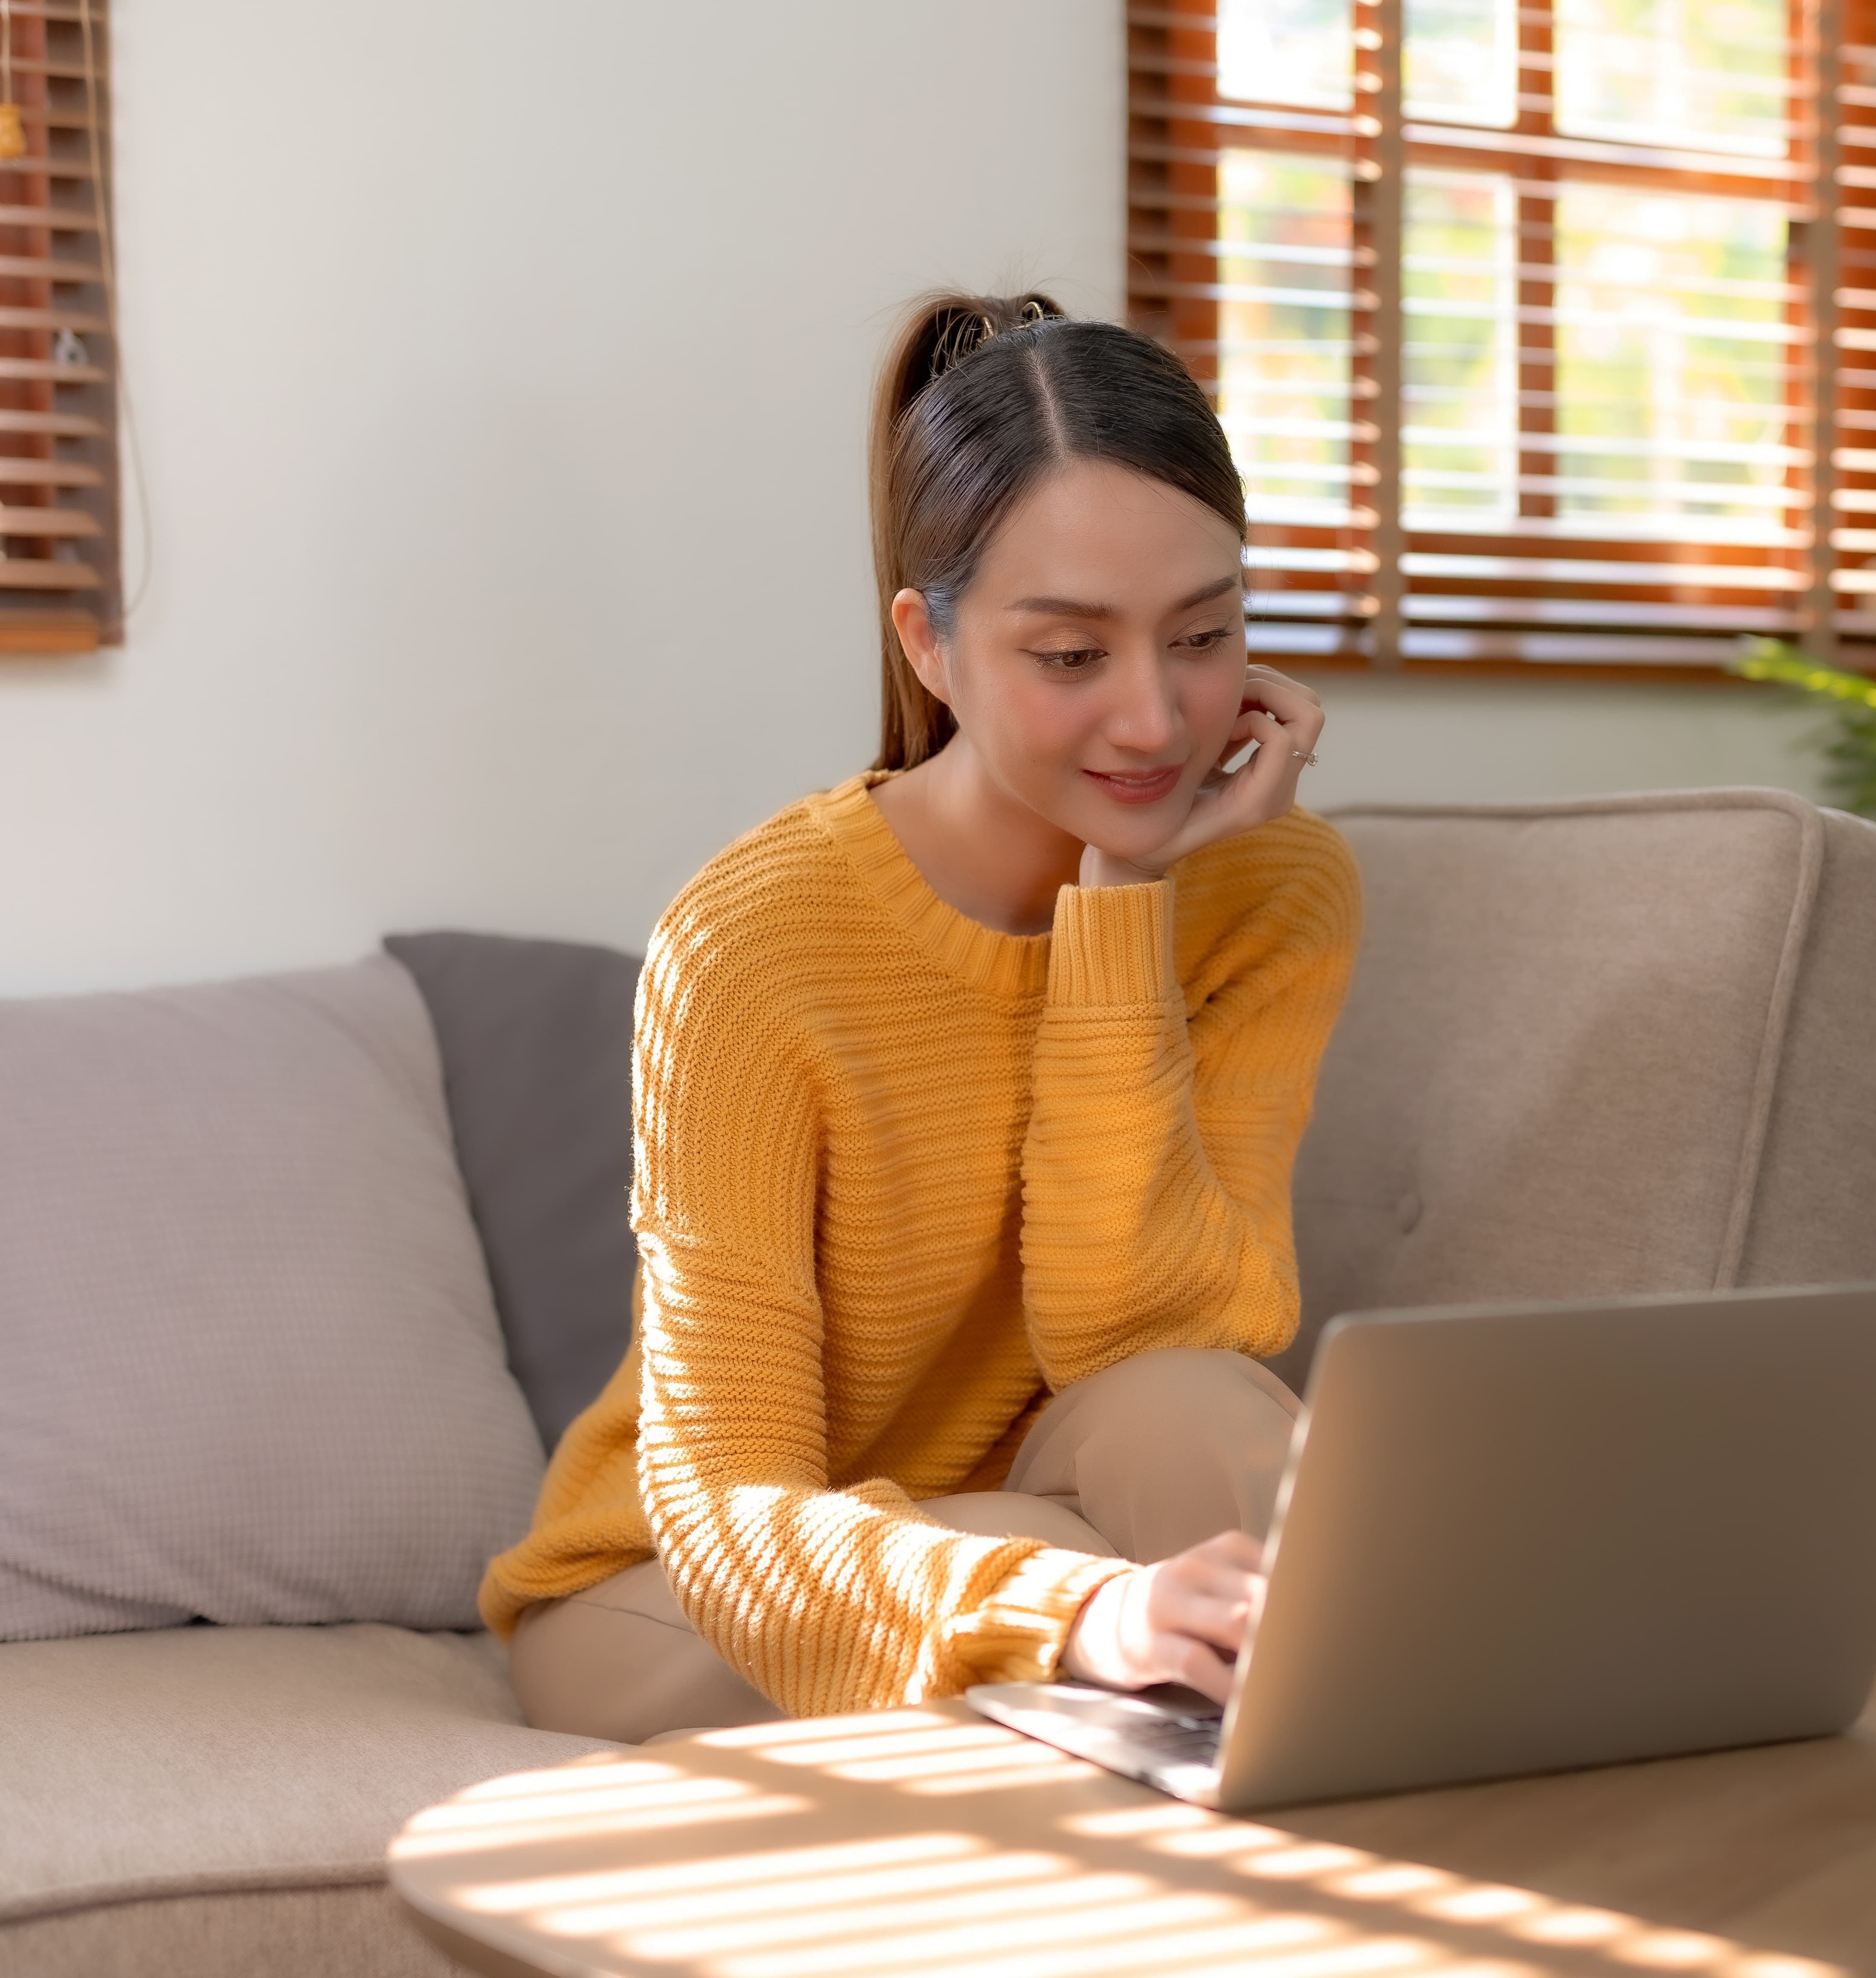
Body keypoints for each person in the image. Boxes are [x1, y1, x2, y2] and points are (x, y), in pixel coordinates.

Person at [479, 293, 1362, 1739]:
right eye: (1072, 656)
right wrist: (1075, 1608)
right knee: (1109, 1604)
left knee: (1201, 1405)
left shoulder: (1278, 893)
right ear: (930, 649)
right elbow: (731, 1505)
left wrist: (1123, 895)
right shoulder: (748, 942)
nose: (1155, 721)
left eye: (1202, 638)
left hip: (1047, 1507)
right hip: (692, 1589)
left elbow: (1152, 1337)